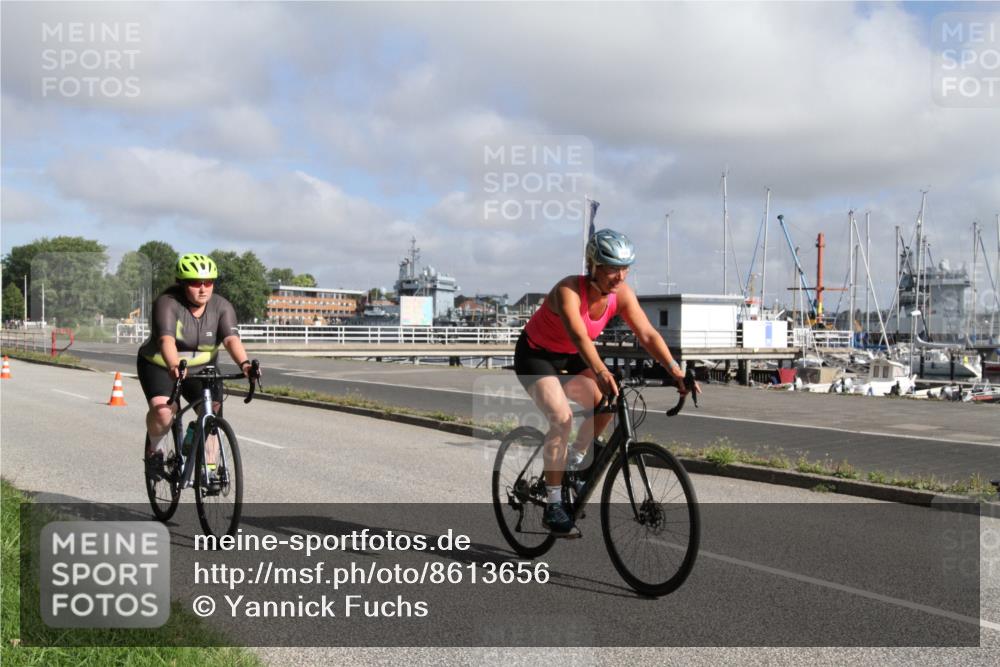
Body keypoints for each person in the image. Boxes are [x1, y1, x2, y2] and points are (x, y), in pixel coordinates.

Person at [513, 228, 698, 534]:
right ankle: (554, 503)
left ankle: (574, 461)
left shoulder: (621, 295)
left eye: (625, 268)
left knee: (609, 402)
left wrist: (674, 369)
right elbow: (579, 335)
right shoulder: (568, 291)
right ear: (593, 266)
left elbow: (648, 334)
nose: (620, 277)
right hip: (537, 355)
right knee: (561, 419)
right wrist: (600, 371)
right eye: (612, 269)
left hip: (573, 355)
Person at [137, 253, 255, 469]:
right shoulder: (167, 303)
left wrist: (245, 365)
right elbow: (166, 340)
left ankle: (210, 472)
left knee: (211, 418)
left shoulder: (222, 306)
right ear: (182, 283)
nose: (203, 289)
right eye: (195, 283)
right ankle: (154, 449)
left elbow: (231, 340)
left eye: (208, 282)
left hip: (202, 369)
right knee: (164, 413)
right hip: (161, 366)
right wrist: (173, 365)